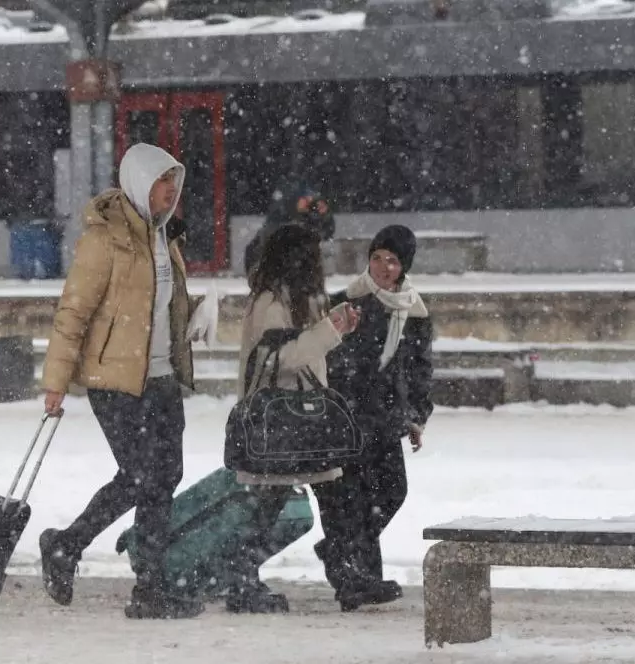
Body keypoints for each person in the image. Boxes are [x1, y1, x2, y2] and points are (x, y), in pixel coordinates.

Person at [38, 143, 203, 620]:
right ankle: (66, 544)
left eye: (175, 181)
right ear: (138, 182)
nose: (171, 191)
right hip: (116, 380)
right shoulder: (105, 240)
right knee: (138, 476)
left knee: (163, 479)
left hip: (162, 379)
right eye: (162, 181)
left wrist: (191, 319)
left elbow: (157, 305)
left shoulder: (165, 237)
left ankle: (150, 588)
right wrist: (56, 381)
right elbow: (74, 312)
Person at [228, 224, 360, 614]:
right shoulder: (271, 303)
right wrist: (328, 330)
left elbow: (303, 349)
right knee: (270, 504)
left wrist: (333, 325)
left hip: (303, 420)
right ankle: (241, 580)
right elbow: (281, 359)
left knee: (333, 497)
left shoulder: (298, 299)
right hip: (282, 422)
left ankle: (347, 577)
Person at [315, 224, 433, 611]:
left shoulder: (415, 311)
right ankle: (354, 579)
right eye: (378, 258)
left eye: (393, 261)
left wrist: (416, 416)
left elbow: (418, 370)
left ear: (405, 267)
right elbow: (329, 358)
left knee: (391, 493)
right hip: (348, 418)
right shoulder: (348, 302)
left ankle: (341, 555)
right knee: (354, 499)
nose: (383, 267)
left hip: (386, 419)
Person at [243, 181, 336, 277]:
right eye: (305, 200)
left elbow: (327, 228)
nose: (308, 202)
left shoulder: (313, 215)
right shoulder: (282, 212)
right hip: (277, 254)